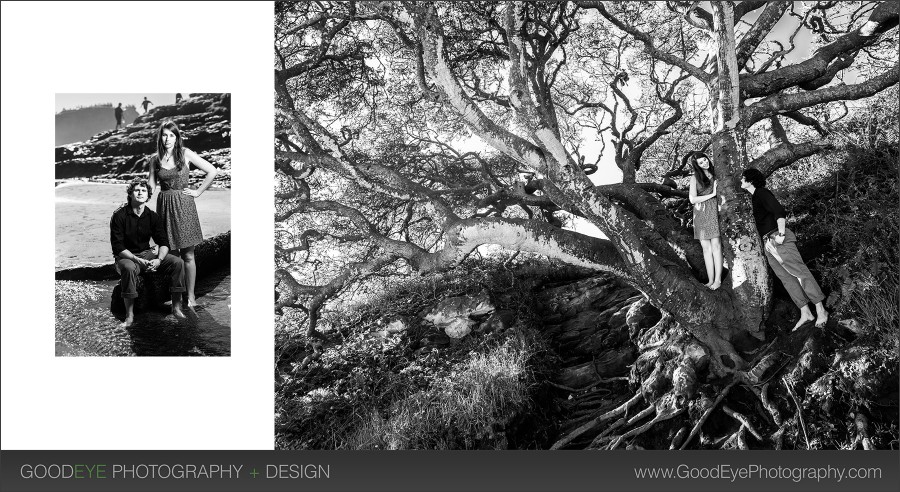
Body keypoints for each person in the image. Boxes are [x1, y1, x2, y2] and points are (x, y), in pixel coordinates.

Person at [740, 168, 828, 330]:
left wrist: (780, 234)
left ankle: (821, 309)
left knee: (799, 273)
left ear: (750, 180)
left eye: (743, 178)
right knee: (786, 278)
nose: (741, 181)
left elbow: (779, 211)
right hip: (768, 242)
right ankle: (805, 312)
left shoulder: (761, 193)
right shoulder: (754, 197)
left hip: (777, 238)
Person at [148, 120, 218, 308]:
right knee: (172, 256)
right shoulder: (154, 159)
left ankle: (191, 297)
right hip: (164, 208)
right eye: (164, 134)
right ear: (160, 137)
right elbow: (151, 187)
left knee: (188, 255)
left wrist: (198, 192)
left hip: (184, 207)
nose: (168, 138)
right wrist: (136, 198)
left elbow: (212, 171)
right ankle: (176, 297)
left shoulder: (185, 154)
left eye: (171, 135)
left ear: (177, 137)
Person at [110, 179, 187, 329]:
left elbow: (164, 243)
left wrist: (159, 259)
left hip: (147, 254)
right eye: (137, 190)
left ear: (148, 196)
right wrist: (137, 260)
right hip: (126, 257)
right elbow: (118, 247)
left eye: (143, 191)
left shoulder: (152, 216)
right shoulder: (119, 216)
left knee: (177, 262)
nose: (140, 193)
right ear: (130, 194)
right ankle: (130, 315)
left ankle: (176, 308)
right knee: (129, 268)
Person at [688, 152, 723, 290]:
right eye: (701, 163)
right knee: (706, 249)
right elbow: (692, 199)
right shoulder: (694, 178)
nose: (704, 163)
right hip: (700, 213)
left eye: (705, 160)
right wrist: (712, 194)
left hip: (714, 211)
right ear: (697, 166)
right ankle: (710, 280)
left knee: (716, 246)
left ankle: (718, 280)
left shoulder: (716, 172)